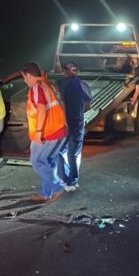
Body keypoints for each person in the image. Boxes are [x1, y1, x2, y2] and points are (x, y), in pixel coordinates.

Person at [22, 62, 73, 203]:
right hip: (59, 128)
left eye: (24, 77)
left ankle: (57, 187)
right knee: (48, 161)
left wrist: (38, 132)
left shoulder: (36, 88)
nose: (25, 81)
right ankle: (45, 194)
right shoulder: (47, 84)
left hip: (48, 132)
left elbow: (41, 108)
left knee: (37, 161)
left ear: (29, 75)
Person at [58, 61, 91, 189]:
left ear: (64, 71)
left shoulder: (59, 85)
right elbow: (88, 106)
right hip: (77, 121)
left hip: (62, 122)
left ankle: (65, 178)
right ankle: (73, 179)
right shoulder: (84, 85)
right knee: (75, 152)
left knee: (60, 150)